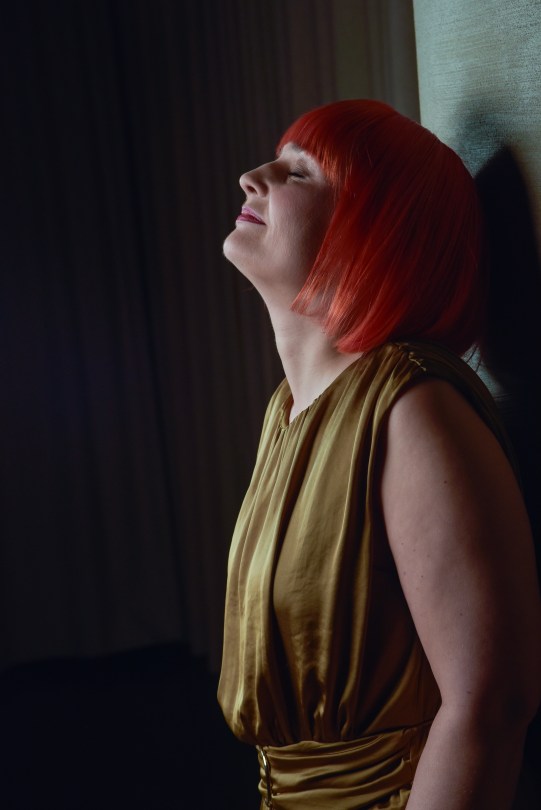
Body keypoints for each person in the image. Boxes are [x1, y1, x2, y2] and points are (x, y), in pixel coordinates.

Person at [218, 100, 541, 809]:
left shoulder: (413, 408)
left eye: (299, 173)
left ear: (376, 230)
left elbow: (491, 705)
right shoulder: (285, 410)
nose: (252, 177)